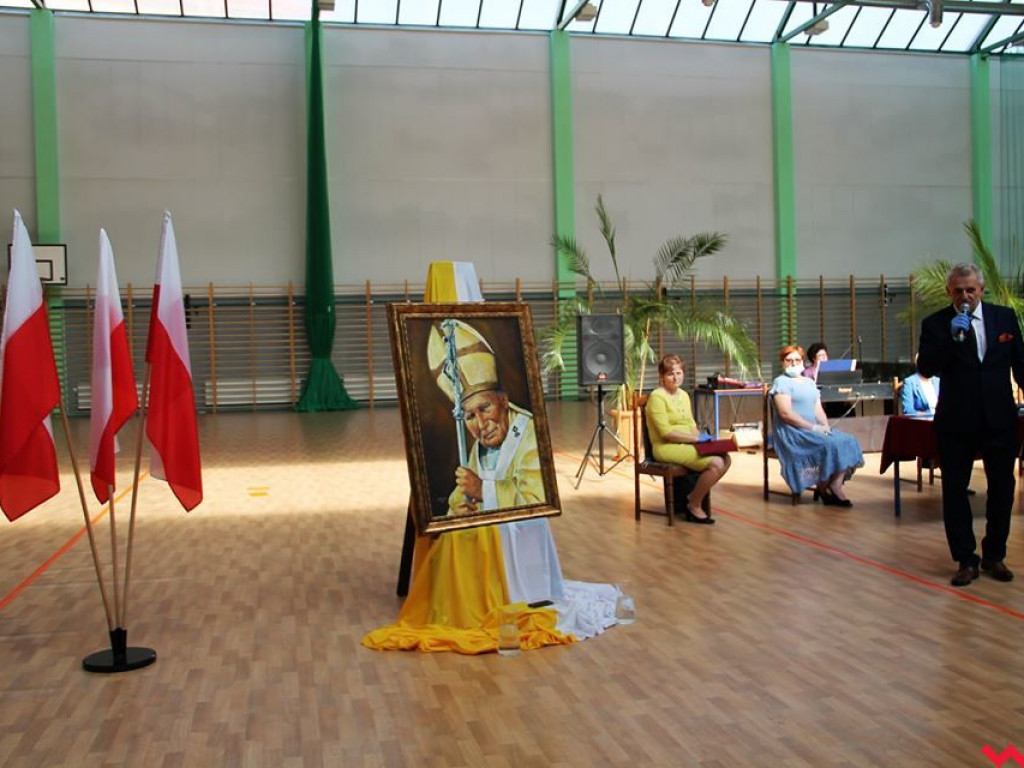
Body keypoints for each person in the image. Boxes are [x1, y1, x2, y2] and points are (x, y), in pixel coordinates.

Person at [917, 262, 1024, 587]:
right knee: (955, 491)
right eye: (958, 291)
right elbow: (926, 368)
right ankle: (965, 558)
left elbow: (1020, 363)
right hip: (957, 420)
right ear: (949, 292)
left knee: (1003, 489)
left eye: (971, 290)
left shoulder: (1003, 319)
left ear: (981, 290)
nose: (965, 296)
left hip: (999, 418)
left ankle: (995, 553)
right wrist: (951, 338)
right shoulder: (936, 324)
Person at [427, 319, 545, 516]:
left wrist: (483, 490)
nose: (481, 424)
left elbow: (537, 502)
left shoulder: (531, 433)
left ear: (504, 401)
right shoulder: (480, 448)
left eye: (485, 408)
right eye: (470, 416)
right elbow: (460, 497)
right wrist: (458, 511)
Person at [770, 345, 864, 506]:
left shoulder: (809, 382)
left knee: (848, 440)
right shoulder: (781, 382)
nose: (793, 363)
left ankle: (832, 484)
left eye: (797, 360)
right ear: (783, 363)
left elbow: (818, 409)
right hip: (793, 431)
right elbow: (785, 414)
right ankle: (827, 485)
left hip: (813, 429)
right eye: (789, 360)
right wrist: (812, 428)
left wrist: (825, 427)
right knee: (831, 444)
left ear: (802, 361)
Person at [644, 354, 730, 524]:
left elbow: (691, 425)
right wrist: (695, 440)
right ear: (662, 376)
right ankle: (694, 503)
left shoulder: (683, 395)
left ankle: (694, 496)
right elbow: (665, 433)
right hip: (666, 447)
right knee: (716, 464)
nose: (675, 377)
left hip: (688, 443)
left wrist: (706, 440)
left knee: (725, 458)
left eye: (679, 373)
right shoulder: (657, 397)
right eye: (670, 374)